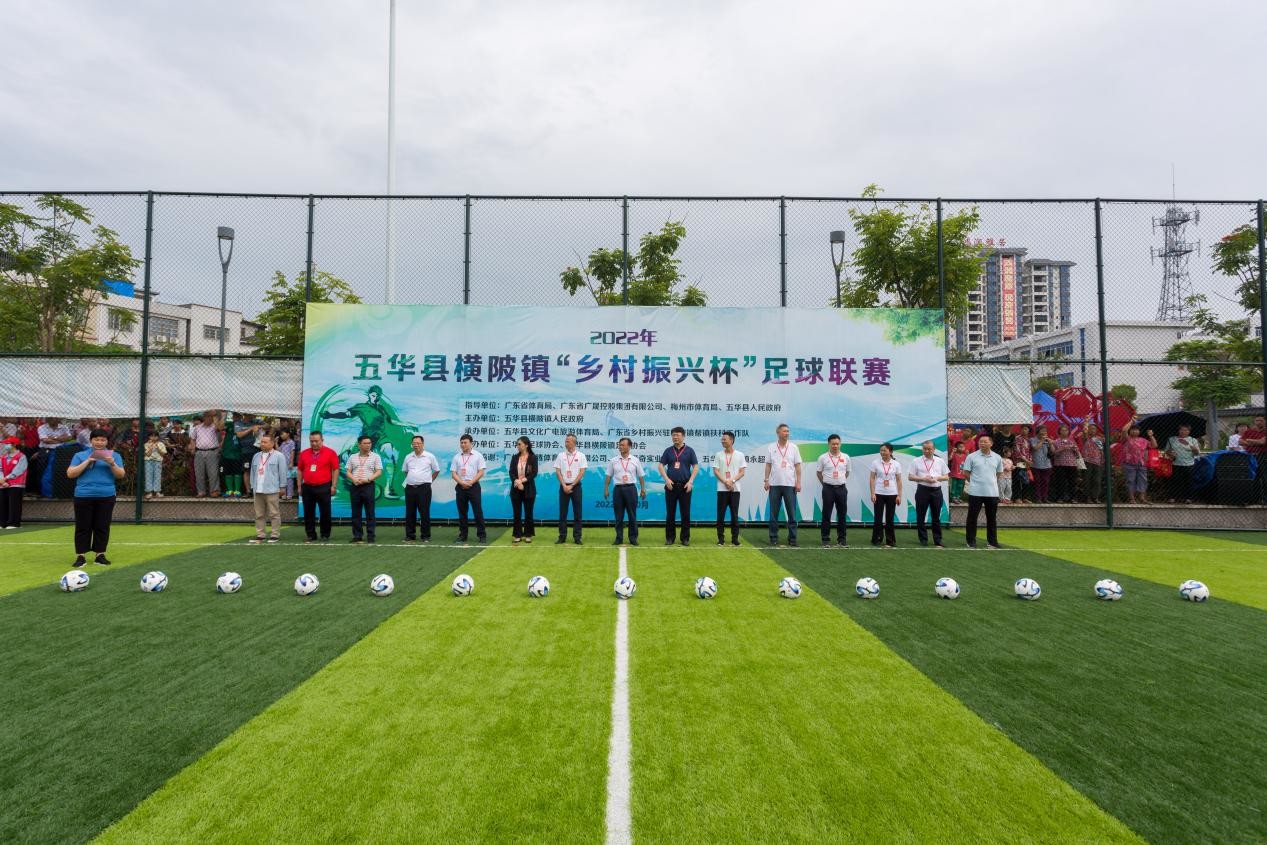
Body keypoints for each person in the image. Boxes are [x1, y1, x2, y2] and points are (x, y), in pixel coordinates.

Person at [65, 428, 125, 566]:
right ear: (91, 440)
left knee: (102, 526)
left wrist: (112, 463)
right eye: (96, 439)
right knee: (82, 526)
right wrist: (87, 461)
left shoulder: (114, 456)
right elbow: (70, 474)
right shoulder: (80, 455)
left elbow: (120, 474)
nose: (99, 442)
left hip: (106, 495)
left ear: (107, 442)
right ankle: (81, 556)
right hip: (83, 495)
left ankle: (100, 555)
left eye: (103, 440)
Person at [658, 426, 699, 547]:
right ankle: (670, 538)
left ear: (683, 436)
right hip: (671, 486)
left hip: (685, 486)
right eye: (673, 435)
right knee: (670, 513)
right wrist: (666, 480)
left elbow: (695, 467)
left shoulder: (690, 451)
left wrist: (690, 482)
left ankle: (685, 538)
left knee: (685, 513)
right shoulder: (668, 451)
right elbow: (660, 466)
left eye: (677, 435)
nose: (675, 437)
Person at [962, 435, 1005, 549]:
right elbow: (966, 472)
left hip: (992, 493)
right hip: (975, 492)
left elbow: (999, 473)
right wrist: (975, 482)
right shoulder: (971, 456)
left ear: (991, 443)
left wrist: (990, 482)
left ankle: (992, 542)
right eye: (981, 441)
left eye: (985, 442)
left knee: (992, 518)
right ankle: (970, 541)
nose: (982, 443)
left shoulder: (997, 457)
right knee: (972, 517)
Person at [763, 423, 802, 547]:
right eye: (784, 431)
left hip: (790, 485)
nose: (787, 433)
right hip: (774, 485)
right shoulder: (771, 447)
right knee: (773, 514)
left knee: (792, 514)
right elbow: (768, 465)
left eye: (788, 431)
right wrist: (766, 480)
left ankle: (792, 539)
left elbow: (797, 465)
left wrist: (798, 482)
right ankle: (773, 538)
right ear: (778, 433)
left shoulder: (794, 447)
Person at [298, 431, 339, 543]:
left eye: (316, 441)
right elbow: (300, 470)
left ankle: (325, 534)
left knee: (325, 512)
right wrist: (299, 486)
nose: (314, 443)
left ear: (322, 440)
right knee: (308, 512)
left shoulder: (330, 453)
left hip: (324, 486)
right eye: (311, 441)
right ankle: (311, 535)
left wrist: (333, 485)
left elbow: (335, 469)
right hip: (307, 487)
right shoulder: (304, 453)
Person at [604, 437, 646, 546]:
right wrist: (606, 488)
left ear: (629, 446)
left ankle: (633, 538)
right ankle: (619, 538)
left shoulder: (635, 460)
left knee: (632, 515)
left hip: (631, 489)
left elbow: (641, 476)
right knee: (618, 515)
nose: (620, 447)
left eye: (623, 445)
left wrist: (643, 489)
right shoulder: (613, 461)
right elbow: (608, 476)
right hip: (618, 490)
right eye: (619, 445)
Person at [908, 439, 949, 547]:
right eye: (925, 449)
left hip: (936, 491)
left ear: (934, 449)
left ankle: (937, 540)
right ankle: (923, 539)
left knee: (936, 517)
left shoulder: (940, 461)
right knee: (920, 516)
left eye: (929, 449)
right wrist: (923, 479)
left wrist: (937, 478)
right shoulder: (916, 461)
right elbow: (910, 477)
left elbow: (946, 476)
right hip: (923, 490)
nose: (927, 451)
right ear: (922, 449)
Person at [401, 434, 441, 543]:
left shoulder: (430, 456)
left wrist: (429, 481)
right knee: (410, 512)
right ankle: (410, 535)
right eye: (414, 443)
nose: (416, 445)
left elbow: (436, 470)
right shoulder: (408, 457)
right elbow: (405, 471)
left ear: (423, 444)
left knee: (424, 512)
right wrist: (413, 479)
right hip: (410, 488)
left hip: (424, 488)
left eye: (418, 443)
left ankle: (425, 536)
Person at [249, 433, 287, 543]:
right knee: (259, 514)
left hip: (272, 489)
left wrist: (282, 487)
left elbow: (283, 472)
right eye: (261, 442)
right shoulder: (256, 456)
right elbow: (252, 472)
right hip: (258, 489)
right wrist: (252, 486)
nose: (262, 444)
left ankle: (275, 534)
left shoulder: (279, 456)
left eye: (265, 442)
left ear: (272, 443)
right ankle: (261, 534)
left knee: (274, 513)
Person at [344, 435, 382, 543]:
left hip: (368, 486)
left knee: (370, 512)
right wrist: (354, 479)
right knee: (356, 512)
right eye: (365, 443)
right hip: (355, 486)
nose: (368, 445)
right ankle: (357, 535)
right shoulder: (352, 457)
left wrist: (368, 479)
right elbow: (348, 472)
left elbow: (379, 472)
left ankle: (371, 536)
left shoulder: (375, 457)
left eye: (369, 443)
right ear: (359, 444)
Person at [451, 434, 487, 544]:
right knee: (462, 512)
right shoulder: (457, 457)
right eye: (461, 443)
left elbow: (481, 472)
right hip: (460, 486)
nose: (463, 444)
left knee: (477, 511)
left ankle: (482, 535)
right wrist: (461, 482)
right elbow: (453, 473)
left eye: (465, 442)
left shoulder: (478, 456)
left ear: (471, 443)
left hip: (473, 486)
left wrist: (471, 482)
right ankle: (463, 535)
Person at [816, 434, 850, 548]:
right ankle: (825, 540)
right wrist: (826, 484)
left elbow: (847, 472)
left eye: (837, 444)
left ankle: (842, 540)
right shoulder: (823, 457)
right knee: (826, 514)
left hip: (841, 489)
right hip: (828, 489)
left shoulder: (846, 457)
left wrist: (839, 481)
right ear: (829, 444)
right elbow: (819, 473)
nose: (835, 446)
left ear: (840, 444)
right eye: (833, 444)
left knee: (842, 515)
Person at [554, 433, 587, 545]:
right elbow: (558, 471)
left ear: (574, 442)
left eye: (568, 441)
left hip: (576, 487)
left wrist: (572, 485)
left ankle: (577, 537)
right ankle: (562, 536)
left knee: (577, 513)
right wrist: (564, 485)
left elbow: (582, 472)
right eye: (566, 441)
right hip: (563, 486)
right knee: (563, 513)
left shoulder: (581, 456)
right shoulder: (561, 455)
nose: (566, 443)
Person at [868, 442, 903, 548]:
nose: (882, 452)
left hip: (892, 494)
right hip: (878, 493)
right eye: (881, 450)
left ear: (890, 452)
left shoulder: (896, 464)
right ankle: (877, 539)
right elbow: (872, 478)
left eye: (885, 450)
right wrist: (872, 493)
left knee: (890, 518)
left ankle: (890, 540)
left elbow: (899, 480)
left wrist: (899, 495)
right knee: (878, 518)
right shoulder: (875, 463)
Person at [713, 431, 745, 547]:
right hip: (722, 489)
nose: (722, 441)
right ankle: (720, 539)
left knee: (734, 515)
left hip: (735, 489)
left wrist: (732, 481)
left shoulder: (740, 455)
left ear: (731, 440)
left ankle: (735, 539)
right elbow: (716, 471)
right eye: (722, 439)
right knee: (720, 515)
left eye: (724, 439)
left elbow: (742, 472)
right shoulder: (718, 455)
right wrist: (725, 482)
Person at [1118, 424, 1158, 504]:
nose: (1134, 431)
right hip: (1129, 463)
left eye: (1136, 430)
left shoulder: (1143, 440)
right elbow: (1124, 430)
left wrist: (1151, 436)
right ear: (1130, 431)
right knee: (1130, 480)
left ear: (1139, 431)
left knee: (1143, 480)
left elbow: (1154, 445)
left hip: (1141, 463)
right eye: (1132, 429)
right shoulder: (1126, 439)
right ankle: (1131, 498)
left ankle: (1142, 498)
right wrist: (1131, 421)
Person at [508, 436, 538, 544]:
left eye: (519, 444)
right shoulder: (515, 457)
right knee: (517, 513)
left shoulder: (533, 458)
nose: (518, 446)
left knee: (528, 513)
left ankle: (528, 534)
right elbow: (511, 472)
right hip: (516, 488)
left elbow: (534, 473)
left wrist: (522, 481)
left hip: (528, 488)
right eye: (517, 444)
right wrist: (516, 481)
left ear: (526, 445)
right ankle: (517, 534)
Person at [1165, 425, 1202, 504]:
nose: (1183, 432)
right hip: (1175, 463)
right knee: (1175, 481)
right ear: (1178, 430)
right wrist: (1171, 454)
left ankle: (1189, 498)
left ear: (1189, 431)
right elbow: (1167, 451)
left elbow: (1197, 453)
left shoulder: (1193, 440)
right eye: (1182, 430)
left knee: (1189, 481)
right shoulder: (1171, 439)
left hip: (1189, 464)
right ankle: (1173, 497)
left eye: (1186, 430)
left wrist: (1194, 449)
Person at [190, 411, 222, 498]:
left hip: (212, 451)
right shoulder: (197, 428)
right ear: (204, 417)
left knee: (213, 473)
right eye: (207, 416)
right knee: (199, 473)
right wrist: (193, 448)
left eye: (210, 417)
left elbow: (219, 428)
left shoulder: (215, 426)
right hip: (199, 452)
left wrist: (215, 416)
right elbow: (192, 438)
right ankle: (201, 491)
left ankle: (214, 491)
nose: (209, 418)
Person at [0, 436, 28, 529]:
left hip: (17, 484)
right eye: (5, 444)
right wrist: (2, 480)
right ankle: (2, 523)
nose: (5, 445)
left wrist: (5, 478)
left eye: (7, 444)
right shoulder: (3, 457)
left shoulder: (21, 456)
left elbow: (19, 470)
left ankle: (14, 523)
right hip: (3, 484)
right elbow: (0, 469)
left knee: (14, 504)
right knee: (2, 503)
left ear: (14, 444)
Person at [1050, 424, 1080, 503]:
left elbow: (1077, 454)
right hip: (1060, 464)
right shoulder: (1056, 442)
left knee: (1072, 482)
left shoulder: (1072, 441)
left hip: (1072, 464)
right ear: (1059, 432)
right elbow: (1053, 453)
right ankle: (1060, 498)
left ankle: (1073, 498)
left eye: (1066, 430)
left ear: (1068, 432)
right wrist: (1062, 448)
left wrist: (1075, 449)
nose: (1064, 432)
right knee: (1060, 482)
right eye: (1062, 430)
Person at [1081, 423, 1105, 504]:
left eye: (1094, 429)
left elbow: (1101, 450)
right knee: (1087, 479)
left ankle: (1095, 497)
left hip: (1097, 461)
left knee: (1097, 480)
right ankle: (1087, 497)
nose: (1092, 430)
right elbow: (1084, 432)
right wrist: (1086, 422)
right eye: (1090, 428)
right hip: (1087, 461)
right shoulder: (1085, 438)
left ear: (1096, 430)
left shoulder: (1099, 439)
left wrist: (1102, 459)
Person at [1011, 425, 1034, 504]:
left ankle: (1025, 498)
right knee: (1018, 480)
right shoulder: (1018, 438)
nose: (1024, 430)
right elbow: (1017, 451)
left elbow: (1029, 451)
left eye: (1026, 429)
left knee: (1026, 480)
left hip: (1026, 463)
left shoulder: (1029, 440)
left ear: (1029, 431)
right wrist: (1026, 461)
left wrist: (1030, 461)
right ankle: (1017, 498)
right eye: (1022, 429)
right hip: (1019, 462)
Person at [142, 429, 167, 500]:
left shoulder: (161, 444)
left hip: (158, 461)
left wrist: (157, 447)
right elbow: (148, 454)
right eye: (151, 436)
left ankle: (157, 492)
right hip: (148, 461)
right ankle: (149, 492)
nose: (153, 438)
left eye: (155, 436)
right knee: (148, 476)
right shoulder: (146, 444)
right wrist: (151, 447)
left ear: (158, 437)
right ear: (149, 437)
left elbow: (163, 454)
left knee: (157, 476)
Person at [276, 429, 297, 499]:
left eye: (283, 434)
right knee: (283, 478)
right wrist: (276, 442)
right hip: (282, 463)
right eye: (281, 434)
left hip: (288, 463)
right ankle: (283, 494)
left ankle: (289, 494)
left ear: (288, 434)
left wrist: (291, 462)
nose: (281, 436)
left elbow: (292, 452)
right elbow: (278, 450)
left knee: (289, 478)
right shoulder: (283, 443)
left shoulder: (291, 442)